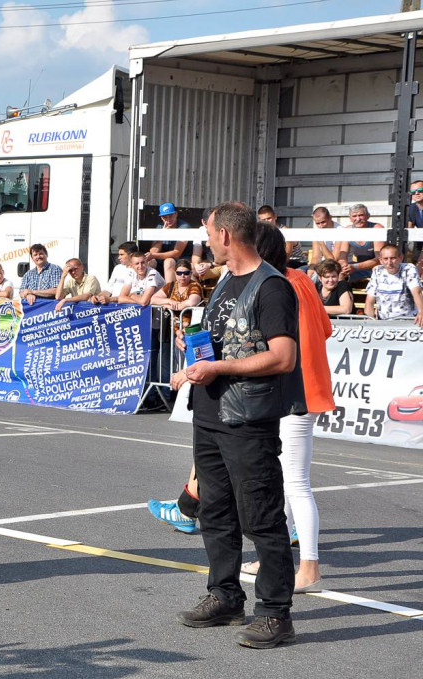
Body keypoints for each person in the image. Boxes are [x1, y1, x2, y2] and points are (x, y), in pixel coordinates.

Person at [169, 201, 302, 649]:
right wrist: (190, 369)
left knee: (261, 517)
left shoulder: (272, 286)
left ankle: (275, 613)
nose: (207, 241)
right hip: (209, 414)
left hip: (246, 418)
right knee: (216, 513)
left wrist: (221, 368)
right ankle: (225, 594)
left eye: (209, 233)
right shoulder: (225, 279)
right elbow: (219, 344)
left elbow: (283, 357)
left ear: (226, 235)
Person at [238, 223, 333, 594]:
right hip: (305, 387)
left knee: (295, 481)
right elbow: (325, 329)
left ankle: (309, 567)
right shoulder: (300, 279)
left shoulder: (273, 285)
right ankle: (271, 555)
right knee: (286, 477)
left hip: (294, 390)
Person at [365, 244, 423, 327]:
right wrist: (369, 321)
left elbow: (417, 292)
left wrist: (421, 312)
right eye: (385, 259)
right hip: (383, 322)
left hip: (409, 322)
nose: (389, 263)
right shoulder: (377, 271)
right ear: (380, 260)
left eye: (393, 258)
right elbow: (369, 301)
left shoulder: (409, 269)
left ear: (400, 258)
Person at [340, 204, 386, 282]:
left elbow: (379, 259)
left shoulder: (377, 229)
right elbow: (342, 256)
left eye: (361, 215)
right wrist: (344, 266)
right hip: (358, 267)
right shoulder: (348, 230)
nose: (358, 219)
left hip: (377, 267)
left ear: (368, 216)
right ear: (350, 218)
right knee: (338, 274)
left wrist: (355, 267)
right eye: (354, 216)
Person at [147, 202, 192, 278]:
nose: (168, 219)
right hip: (162, 260)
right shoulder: (160, 227)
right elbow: (153, 252)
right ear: (161, 218)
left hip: (182, 260)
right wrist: (162, 235)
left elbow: (176, 253)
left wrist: (153, 255)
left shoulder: (184, 226)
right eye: (165, 217)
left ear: (176, 214)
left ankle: (169, 289)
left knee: (168, 261)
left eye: (170, 216)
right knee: (149, 261)